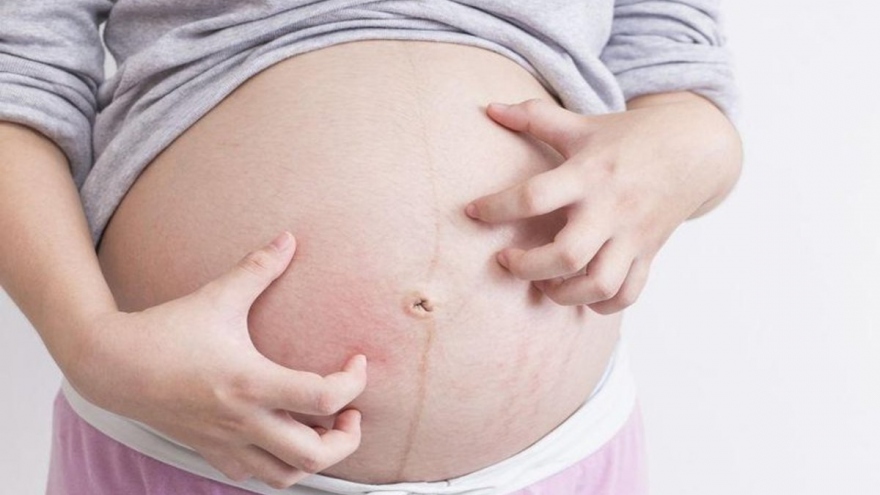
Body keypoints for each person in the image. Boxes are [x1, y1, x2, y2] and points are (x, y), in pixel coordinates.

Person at [0, 1, 742, 494]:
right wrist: (90, 347)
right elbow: (16, 78)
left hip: (552, 459)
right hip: (191, 449)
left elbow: (678, 73)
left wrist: (687, 147)